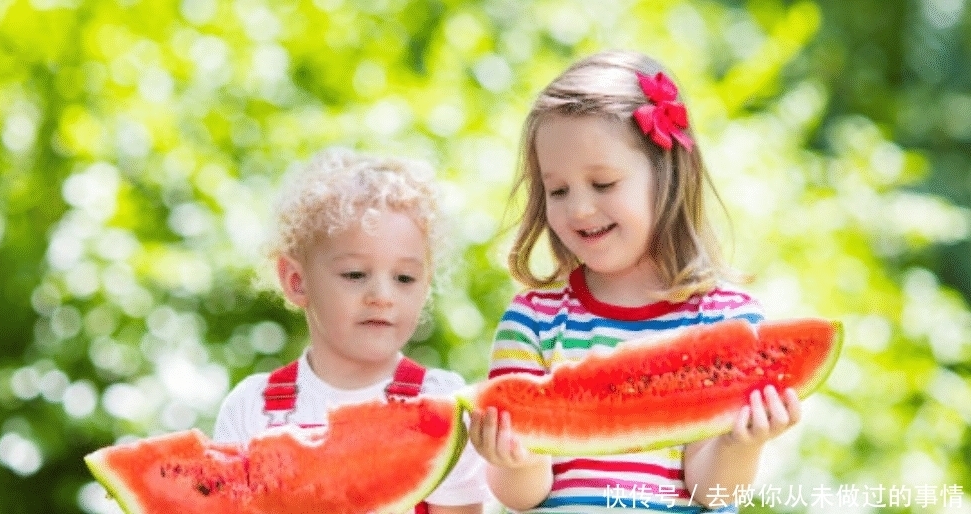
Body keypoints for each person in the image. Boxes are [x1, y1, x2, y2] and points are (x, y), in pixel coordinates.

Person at [467, 50, 801, 513]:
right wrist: (514, 459)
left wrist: (743, 444)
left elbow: (710, 489)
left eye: (602, 184)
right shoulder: (533, 321)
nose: (579, 208)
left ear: (666, 177)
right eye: (557, 190)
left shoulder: (727, 320)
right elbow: (524, 495)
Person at [213, 147, 487, 514]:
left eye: (405, 278)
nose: (382, 296)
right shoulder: (252, 408)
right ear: (297, 281)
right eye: (355, 275)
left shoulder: (442, 403)